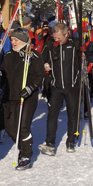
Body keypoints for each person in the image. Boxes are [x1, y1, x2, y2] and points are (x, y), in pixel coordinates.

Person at [1, 27, 45, 170]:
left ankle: (26, 154)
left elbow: (40, 76)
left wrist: (31, 88)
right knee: (10, 128)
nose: (13, 42)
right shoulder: (7, 55)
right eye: (12, 40)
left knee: (23, 127)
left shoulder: (33, 56)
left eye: (16, 40)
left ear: (24, 41)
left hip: (27, 98)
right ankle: (21, 146)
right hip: (10, 96)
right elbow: (3, 74)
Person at [38, 22, 81, 156]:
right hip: (55, 86)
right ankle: (50, 143)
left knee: (73, 115)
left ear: (66, 34)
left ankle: (71, 141)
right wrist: (45, 65)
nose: (56, 40)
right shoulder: (50, 44)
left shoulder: (75, 44)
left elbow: (89, 54)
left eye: (58, 37)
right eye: (54, 37)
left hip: (72, 85)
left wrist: (88, 49)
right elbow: (41, 58)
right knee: (52, 115)